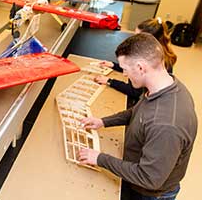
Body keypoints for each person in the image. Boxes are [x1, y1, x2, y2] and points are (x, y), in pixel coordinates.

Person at [79, 33, 197, 200]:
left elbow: (149, 178)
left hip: (149, 193)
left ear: (141, 68)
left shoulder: (166, 125)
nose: (124, 75)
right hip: (141, 172)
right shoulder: (164, 86)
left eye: (125, 69)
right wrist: (102, 122)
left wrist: (100, 158)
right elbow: (137, 112)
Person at [94, 18, 177, 107]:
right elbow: (132, 67)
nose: (134, 40)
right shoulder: (156, 52)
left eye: (138, 37)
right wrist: (114, 65)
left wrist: (109, 81)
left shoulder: (154, 61)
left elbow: (135, 91)